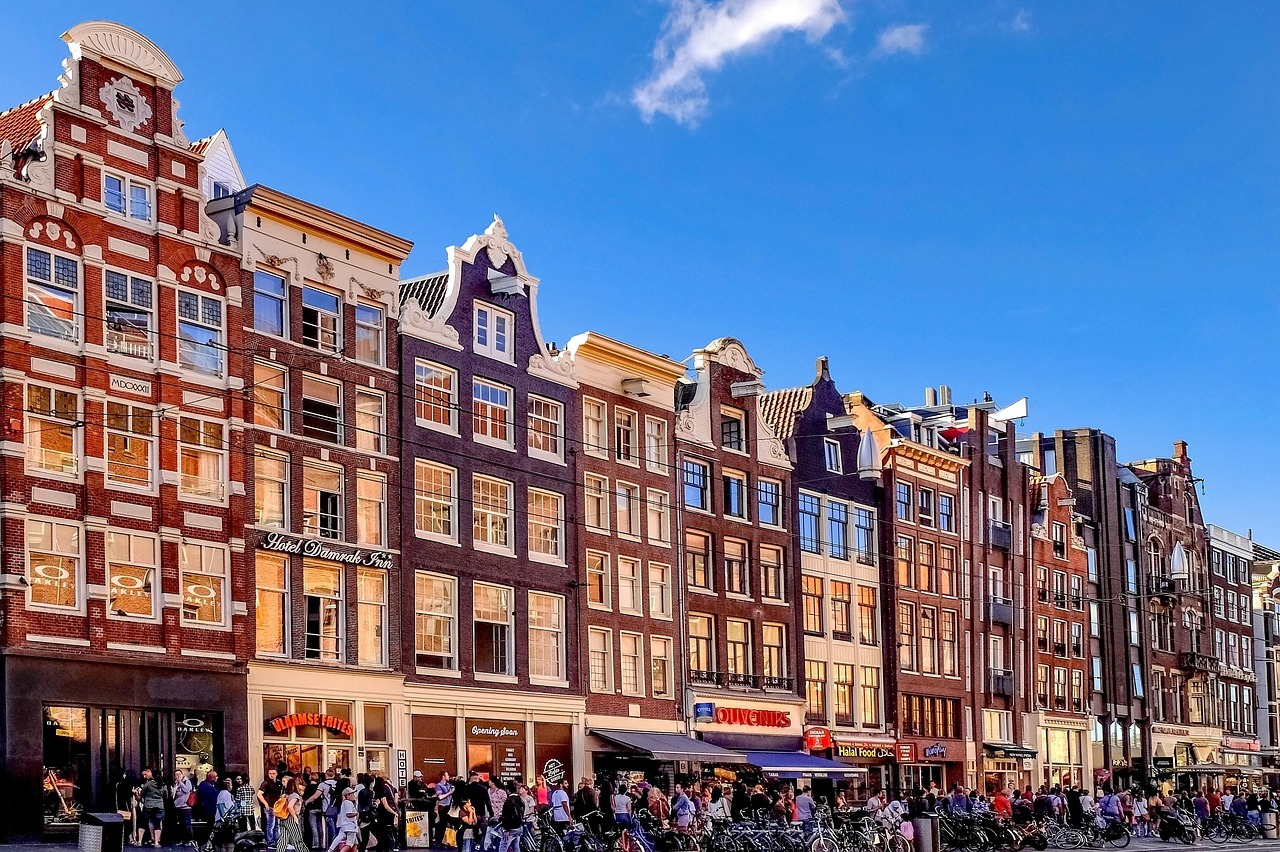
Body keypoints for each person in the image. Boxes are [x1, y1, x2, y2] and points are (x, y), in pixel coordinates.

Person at [278, 775, 309, 852]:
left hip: (283, 817)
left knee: (283, 838)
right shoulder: (295, 795)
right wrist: (295, 817)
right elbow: (290, 806)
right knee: (297, 839)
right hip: (291, 817)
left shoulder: (285, 795)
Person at [327, 786, 359, 852]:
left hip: (345, 825)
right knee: (349, 844)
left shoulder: (344, 803)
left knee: (354, 843)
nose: (354, 795)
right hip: (351, 826)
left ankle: (330, 850)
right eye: (352, 793)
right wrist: (357, 813)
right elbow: (349, 814)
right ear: (347, 795)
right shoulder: (348, 803)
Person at [259, 767, 284, 847]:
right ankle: (270, 841)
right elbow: (259, 794)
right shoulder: (266, 783)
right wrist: (265, 803)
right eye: (270, 773)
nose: (271, 775)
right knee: (271, 824)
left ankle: (276, 840)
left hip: (277, 807)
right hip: (270, 806)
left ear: (276, 774)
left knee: (277, 825)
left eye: (273, 773)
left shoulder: (278, 783)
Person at [497, 786, 525, 852]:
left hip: (511, 828)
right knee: (516, 846)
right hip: (519, 826)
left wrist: (505, 829)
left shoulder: (509, 801)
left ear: (508, 790)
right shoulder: (520, 800)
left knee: (503, 846)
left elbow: (507, 816)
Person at [173, 769, 195, 846]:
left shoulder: (187, 781)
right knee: (181, 824)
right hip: (178, 806)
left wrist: (180, 783)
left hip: (186, 806)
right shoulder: (175, 783)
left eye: (179, 774)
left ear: (182, 774)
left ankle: (189, 840)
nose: (178, 776)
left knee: (187, 824)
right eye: (176, 774)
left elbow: (187, 790)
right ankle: (182, 840)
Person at [435, 772, 455, 848]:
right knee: (443, 823)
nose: (449, 776)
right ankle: (440, 841)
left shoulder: (449, 785)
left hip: (449, 806)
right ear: (443, 776)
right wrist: (450, 792)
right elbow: (440, 797)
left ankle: (448, 840)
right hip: (443, 806)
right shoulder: (439, 785)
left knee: (449, 823)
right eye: (447, 775)